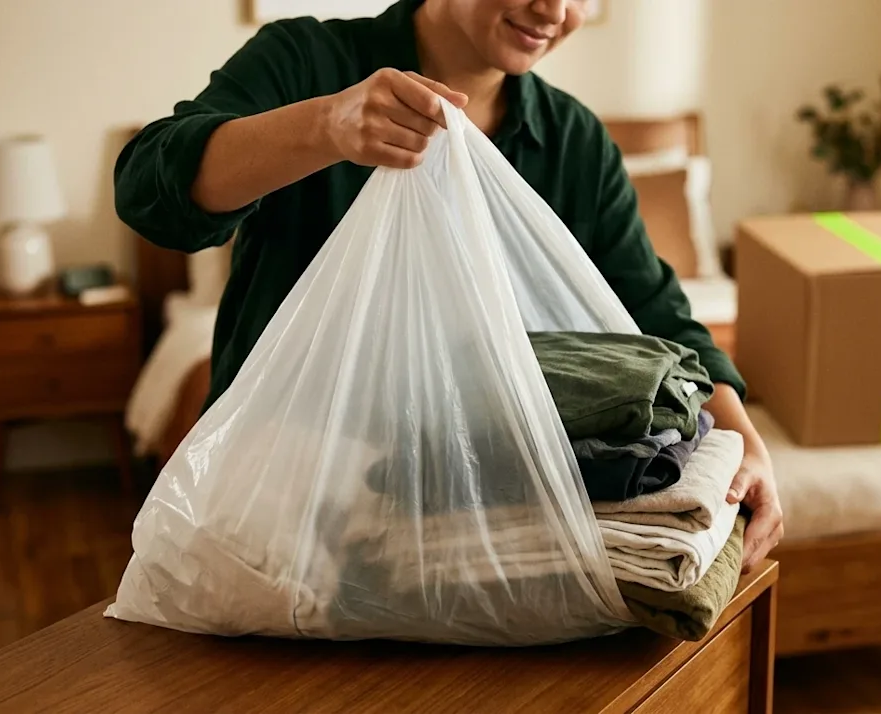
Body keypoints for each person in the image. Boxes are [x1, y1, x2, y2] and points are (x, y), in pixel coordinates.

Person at [115, 0, 783, 570]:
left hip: (482, 516)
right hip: (283, 507)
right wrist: (326, 127)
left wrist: (744, 445)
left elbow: (655, 313)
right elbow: (150, 194)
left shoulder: (575, 144)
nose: (554, 10)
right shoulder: (306, 61)